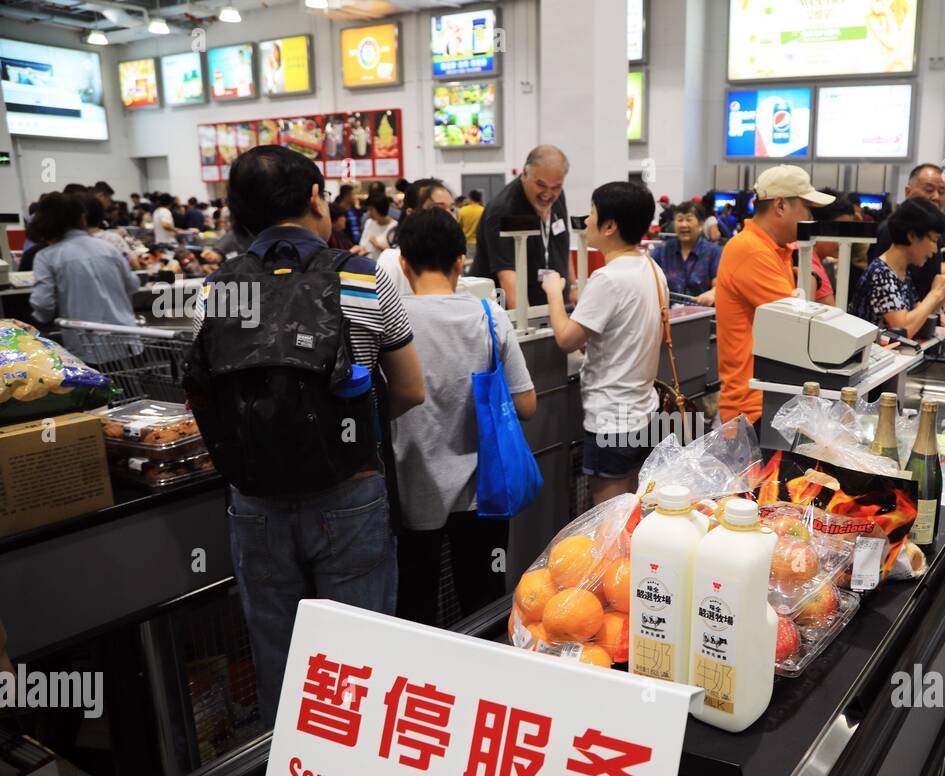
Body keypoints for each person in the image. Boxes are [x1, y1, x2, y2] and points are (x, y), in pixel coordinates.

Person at [191, 145, 424, 719]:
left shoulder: (216, 290)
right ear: (316, 198)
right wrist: (350, 425)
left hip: (254, 504)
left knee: (280, 658)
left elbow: (204, 396)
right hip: (350, 493)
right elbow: (412, 388)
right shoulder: (362, 276)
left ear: (238, 213)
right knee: (357, 661)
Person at [391, 208, 537, 626]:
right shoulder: (489, 316)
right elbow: (526, 406)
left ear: (404, 264)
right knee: (485, 602)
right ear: (461, 262)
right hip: (482, 495)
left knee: (414, 606)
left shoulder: (390, 318)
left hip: (410, 493)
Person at [542, 181, 665, 503]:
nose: (585, 222)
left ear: (610, 226)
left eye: (592, 214)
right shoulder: (652, 269)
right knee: (636, 513)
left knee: (609, 525)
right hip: (646, 412)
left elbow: (567, 340)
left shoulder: (608, 278)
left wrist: (554, 291)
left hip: (612, 419)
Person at [715, 166, 835, 428]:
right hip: (753, 406)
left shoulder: (775, 250)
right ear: (781, 206)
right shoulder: (751, 250)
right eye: (806, 207)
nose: (810, 216)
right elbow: (800, 323)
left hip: (771, 397)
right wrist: (811, 281)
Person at [472, 145, 571, 310]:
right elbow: (508, 276)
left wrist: (572, 289)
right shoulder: (503, 210)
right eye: (541, 185)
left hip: (553, 306)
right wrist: (525, 325)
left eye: (555, 187)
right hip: (516, 311)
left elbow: (563, 245)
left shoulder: (557, 197)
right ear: (525, 173)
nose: (548, 194)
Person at [29, 191, 139, 336]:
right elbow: (132, 284)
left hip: (86, 342)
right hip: (126, 336)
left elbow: (43, 303)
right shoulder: (108, 247)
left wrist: (44, 317)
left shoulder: (46, 257)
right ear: (82, 218)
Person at [849, 199, 945, 338]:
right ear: (912, 235)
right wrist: (936, 293)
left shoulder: (901, 271)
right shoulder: (881, 273)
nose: (934, 250)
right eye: (933, 240)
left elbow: (918, 313)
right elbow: (903, 329)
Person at [867, 163, 945, 300]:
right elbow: (891, 298)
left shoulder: (929, 229)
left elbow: (928, 276)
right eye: (929, 190)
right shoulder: (893, 229)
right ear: (908, 191)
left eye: (941, 192)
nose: (935, 196)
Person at [376, 178, 457, 294]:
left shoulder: (451, 257)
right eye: (438, 209)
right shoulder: (391, 261)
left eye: (452, 209)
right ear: (411, 213)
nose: (450, 217)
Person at [650, 200, 721, 303]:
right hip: (668, 315)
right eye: (679, 219)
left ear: (701, 224)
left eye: (689, 219)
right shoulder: (662, 250)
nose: (683, 224)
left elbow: (719, 285)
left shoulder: (713, 252)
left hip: (701, 314)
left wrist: (712, 294)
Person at [359, 194, 396, 259]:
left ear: (381, 208)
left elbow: (395, 253)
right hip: (367, 264)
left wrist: (377, 244)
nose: (368, 212)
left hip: (383, 266)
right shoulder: (369, 222)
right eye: (368, 209)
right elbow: (362, 243)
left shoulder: (394, 226)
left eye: (371, 209)